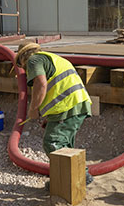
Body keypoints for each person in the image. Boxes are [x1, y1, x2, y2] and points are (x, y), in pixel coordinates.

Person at [16, 43, 94, 185]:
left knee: (52, 143)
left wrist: (33, 109)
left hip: (68, 106)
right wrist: (50, 117)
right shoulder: (51, 58)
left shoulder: (33, 60)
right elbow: (57, 88)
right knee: (65, 147)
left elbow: (41, 84)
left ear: (22, 58)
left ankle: (81, 176)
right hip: (76, 104)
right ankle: (70, 181)